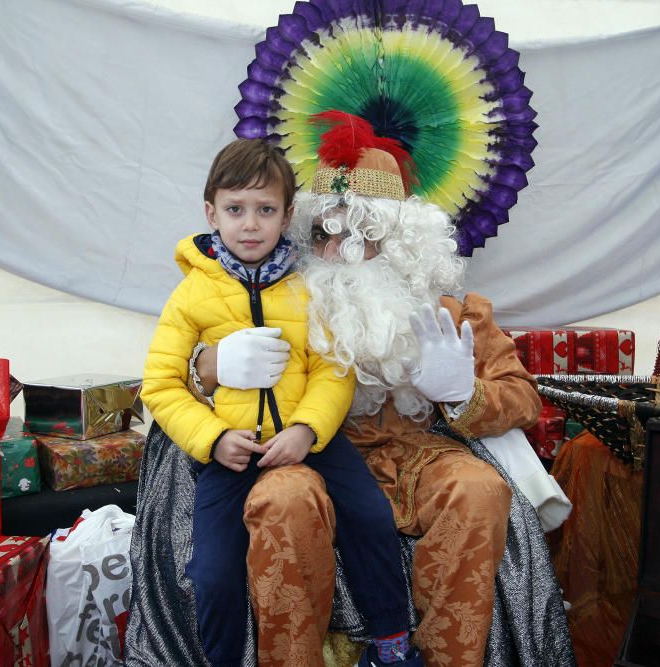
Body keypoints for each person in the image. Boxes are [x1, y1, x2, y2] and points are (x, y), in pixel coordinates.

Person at [185, 113, 571, 666]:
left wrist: (463, 392)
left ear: (399, 243)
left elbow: (522, 398)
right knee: (281, 499)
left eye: (360, 233)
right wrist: (213, 364)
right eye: (323, 233)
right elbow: (175, 379)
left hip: (416, 455)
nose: (337, 249)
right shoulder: (268, 297)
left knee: (479, 489)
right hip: (305, 453)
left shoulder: (450, 312)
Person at [139, 137, 422, 667]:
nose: (250, 224)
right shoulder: (191, 294)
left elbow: (331, 369)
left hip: (308, 440)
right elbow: (160, 383)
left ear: (287, 215)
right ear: (211, 212)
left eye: (265, 210)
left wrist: (307, 430)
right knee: (212, 570)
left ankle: (391, 640)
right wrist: (214, 438)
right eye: (236, 209)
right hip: (232, 451)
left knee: (370, 517)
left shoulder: (306, 286)